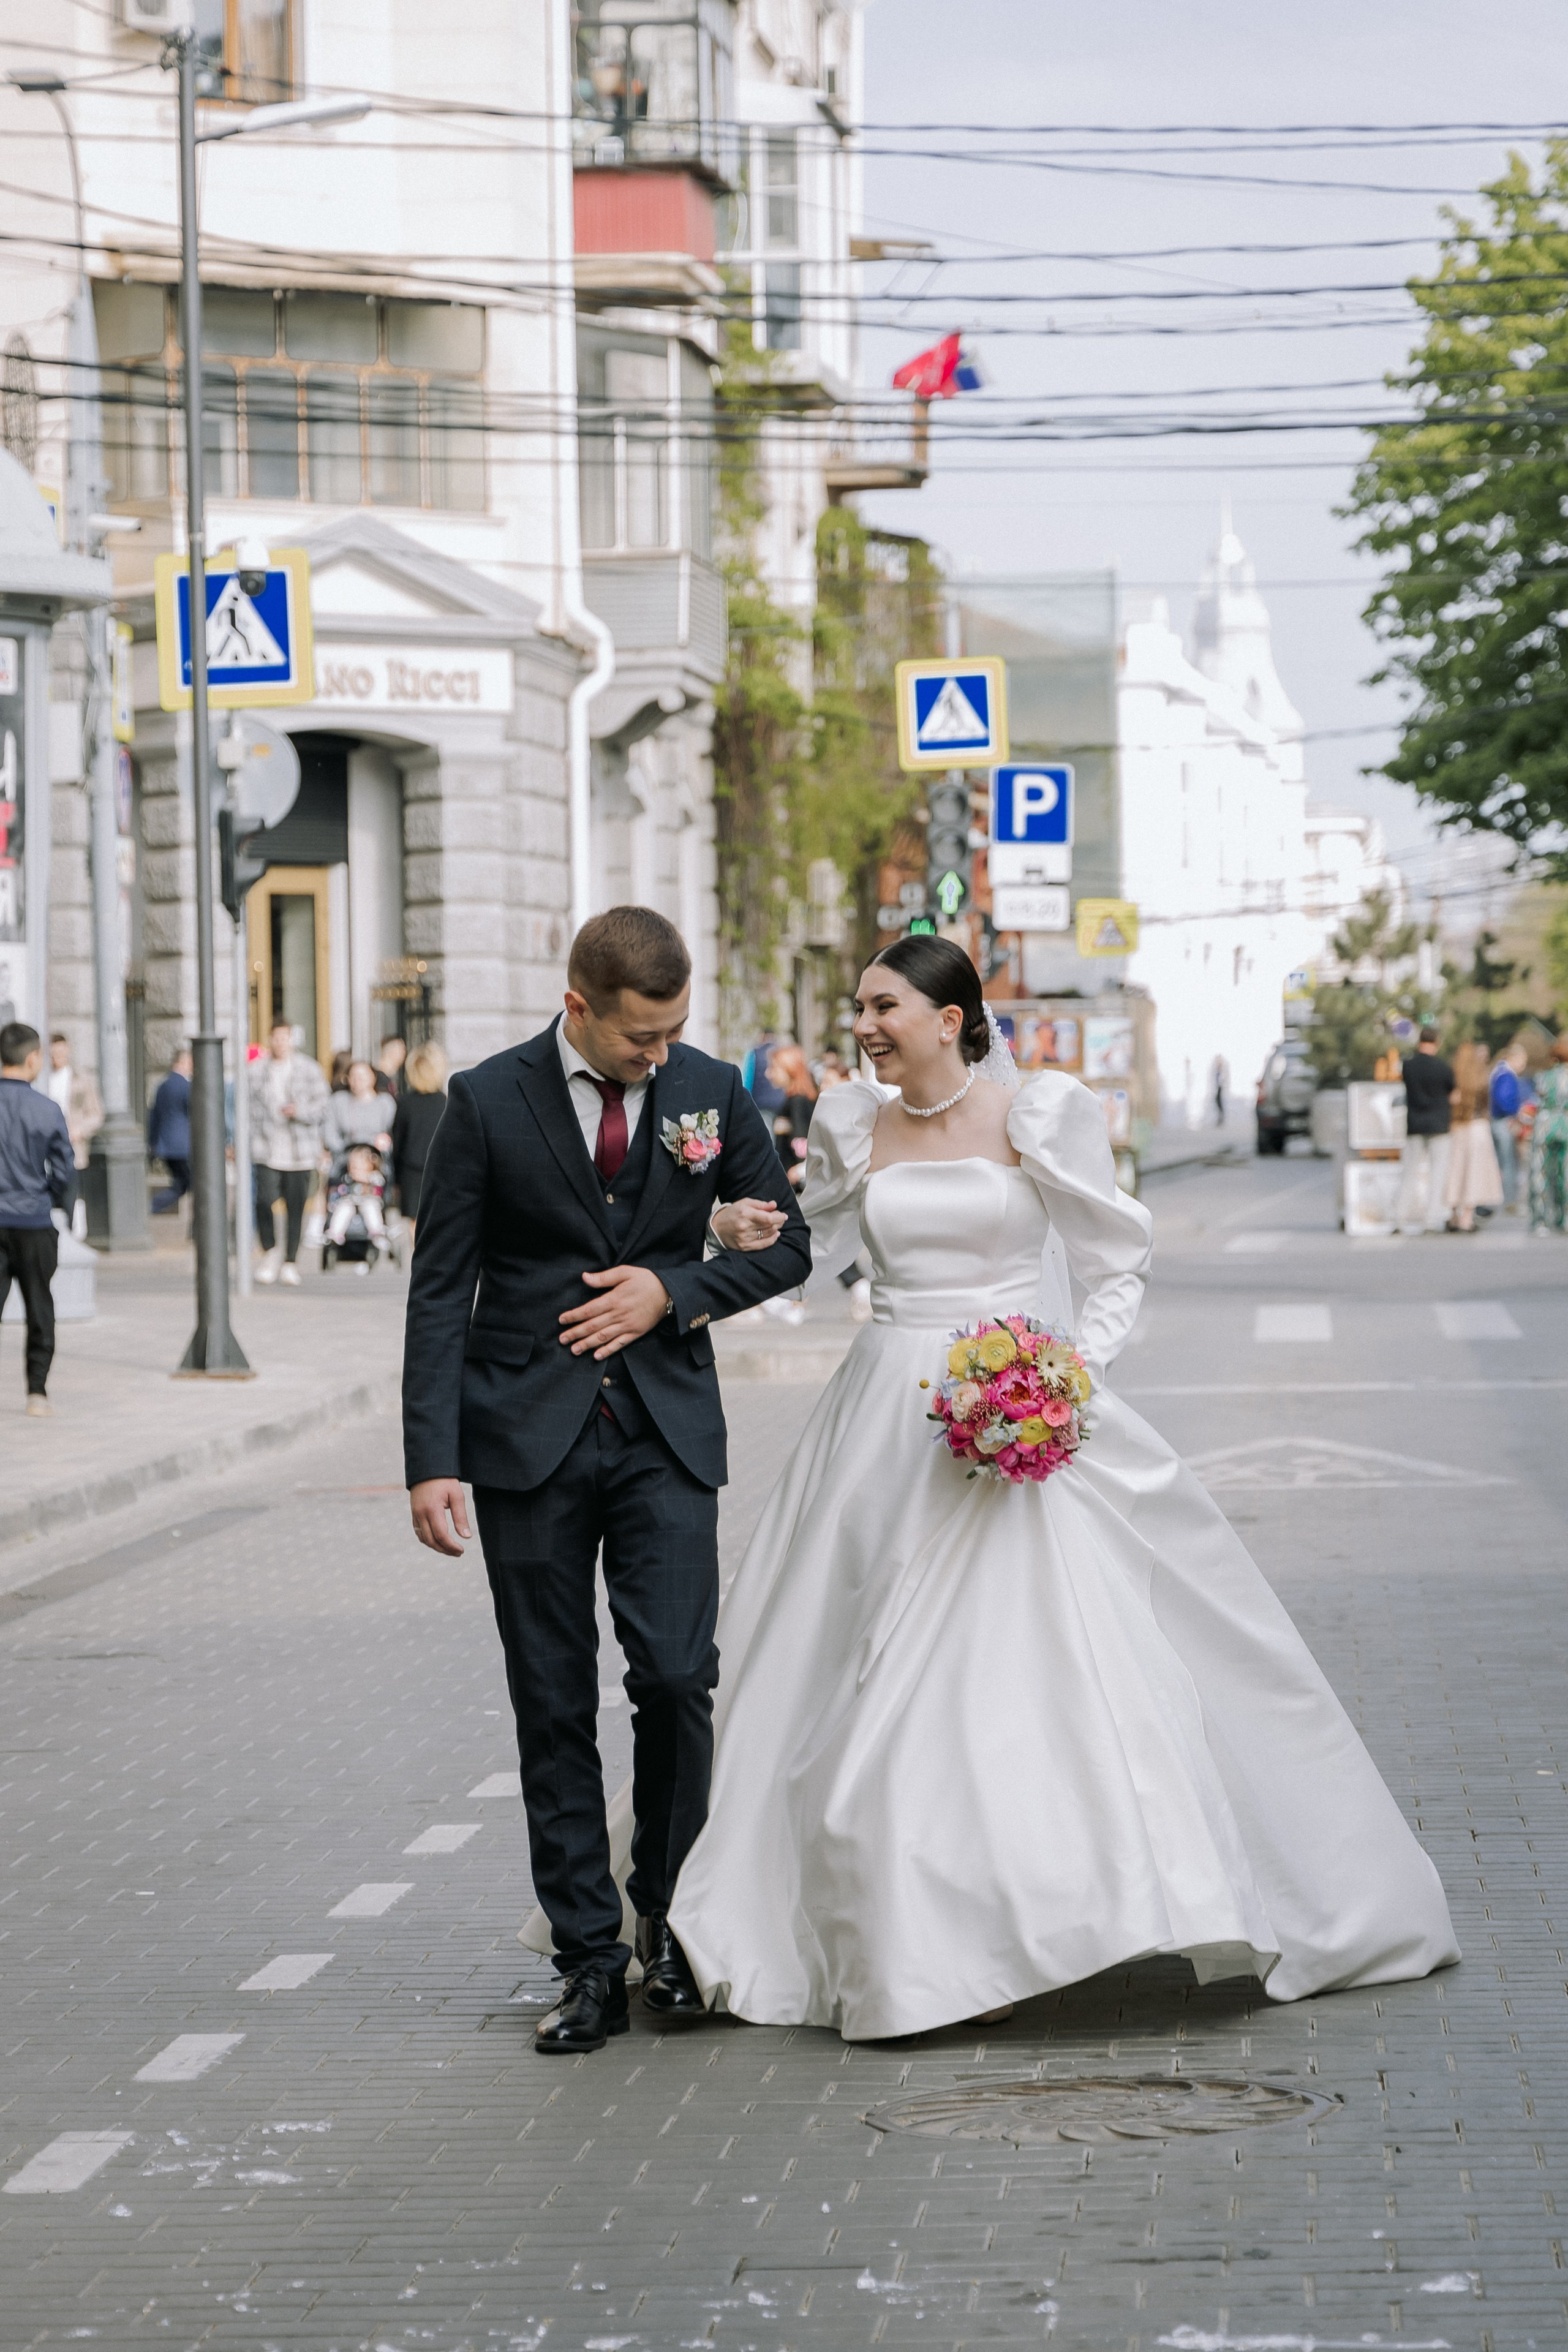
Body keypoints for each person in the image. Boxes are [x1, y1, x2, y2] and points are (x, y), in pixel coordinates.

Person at [552, 936, 1458, 2039]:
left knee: (1059, 1665)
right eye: (860, 1007)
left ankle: (1079, 1905)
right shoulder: (847, 1118)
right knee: (839, 1656)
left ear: (952, 1017)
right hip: (884, 1417)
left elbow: (1116, 1258)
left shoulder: (1043, 1113)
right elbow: (814, 1246)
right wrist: (721, 1232)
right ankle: (877, 1926)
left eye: (886, 1006)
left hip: (1016, 1403)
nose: (866, 1025)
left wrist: (1065, 1377)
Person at [404, 905, 811, 2057]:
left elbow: (787, 1244)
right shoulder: (486, 1100)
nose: (660, 1054)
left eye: (675, 1030)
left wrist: (674, 1288)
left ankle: (672, 1922)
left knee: (680, 1680)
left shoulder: (710, 1092)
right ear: (578, 1004)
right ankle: (590, 1960)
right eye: (642, 1037)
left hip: (664, 1431)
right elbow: (443, 1289)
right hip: (523, 1437)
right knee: (552, 1700)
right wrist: (432, 1458)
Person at [0, 1021, 74, 1418]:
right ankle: (37, 1392)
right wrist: (56, 1200)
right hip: (32, 1220)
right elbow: (65, 1171)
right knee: (39, 1305)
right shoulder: (47, 1110)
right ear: (32, 1059)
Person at [249, 1022, 328, 1286]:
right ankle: (270, 1251)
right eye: (276, 1038)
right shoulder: (257, 1070)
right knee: (264, 1200)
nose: (281, 1043)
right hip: (266, 1147)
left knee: (296, 1206)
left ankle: (291, 1261)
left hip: (301, 1149)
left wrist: (299, 1111)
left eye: (285, 1038)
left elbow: (321, 1106)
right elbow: (244, 1108)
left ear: (292, 1041)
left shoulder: (308, 1068)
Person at [1396, 1025, 1455, 1237]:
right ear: (1436, 1042)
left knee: (1409, 1172)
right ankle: (1431, 1219)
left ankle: (1400, 1217)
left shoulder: (1408, 1066)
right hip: (1439, 1124)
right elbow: (1451, 1091)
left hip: (1415, 1124)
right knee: (1437, 1172)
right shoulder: (1443, 1068)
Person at [1442, 1040, 1503, 1233]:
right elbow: (1486, 1105)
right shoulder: (1480, 1077)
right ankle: (1467, 1218)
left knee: (1454, 1171)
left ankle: (1453, 1216)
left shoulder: (1453, 1076)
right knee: (1474, 1173)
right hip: (1477, 1127)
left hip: (1456, 1127)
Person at [390, 1041, 448, 1237]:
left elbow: (398, 1143)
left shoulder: (405, 1103)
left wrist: (396, 1178)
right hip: (440, 1169)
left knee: (415, 1224)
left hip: (411, 1170)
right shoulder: (446, 1103)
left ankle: (418, 1264)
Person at [47, 1033, 103, 1233]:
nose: (56, 1058)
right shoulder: (44, 1079)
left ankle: (68, 1234)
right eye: (53, 1054)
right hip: (45, 1146)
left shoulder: (80, 1079)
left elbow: (96, 1114)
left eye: (60, 1053)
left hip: (72, 1146)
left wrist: (79, 1131)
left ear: (68, 1050)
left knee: (70, 1193)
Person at [1528, 1034, 1568, 1235]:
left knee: (1541, 1173)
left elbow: (1538, 1099)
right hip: (1566, 1123)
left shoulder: (1545, 1076)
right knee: (1566, 1173)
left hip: (1545, 1125)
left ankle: (1540, 1219)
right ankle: (1565, 1217)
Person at [146, 1048, 193, 1216]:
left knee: (182, 1184)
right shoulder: (186, 1086)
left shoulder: (162, 1086)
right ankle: (150, 1207)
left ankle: (151, 1206)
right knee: (190, 1185)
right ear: (181, 1062)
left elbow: (154, 1116)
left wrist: (153, 1144)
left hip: (166, 1146)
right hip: (183, 1146)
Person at [1490, 1041, 1536, 1212]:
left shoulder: (1499, 1072)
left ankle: (1507, 1200)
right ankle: (1510, 1202)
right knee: (1509, 1163)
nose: (1523, 1065)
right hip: (1504, 1122)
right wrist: (1518, 1111)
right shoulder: (1506, 1075)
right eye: (1522, 1061)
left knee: (1504, 1162)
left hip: (1499, 1121)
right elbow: (1504, 1100)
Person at [324, 1060, 394, 1159]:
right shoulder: (338, 1101)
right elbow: (330, 1132)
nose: (358, 1080)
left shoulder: (386, 1102)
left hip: (378, 1159)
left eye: (363, 1076)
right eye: (354, 1076)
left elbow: (394, 1133)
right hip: (346, 1159)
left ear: (373, 1077)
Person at [375, 1035, 407, 1101]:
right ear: (392, 1052)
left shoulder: (385, 1078)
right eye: (402, 1050)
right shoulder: (379, 1079)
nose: (405, 1053)